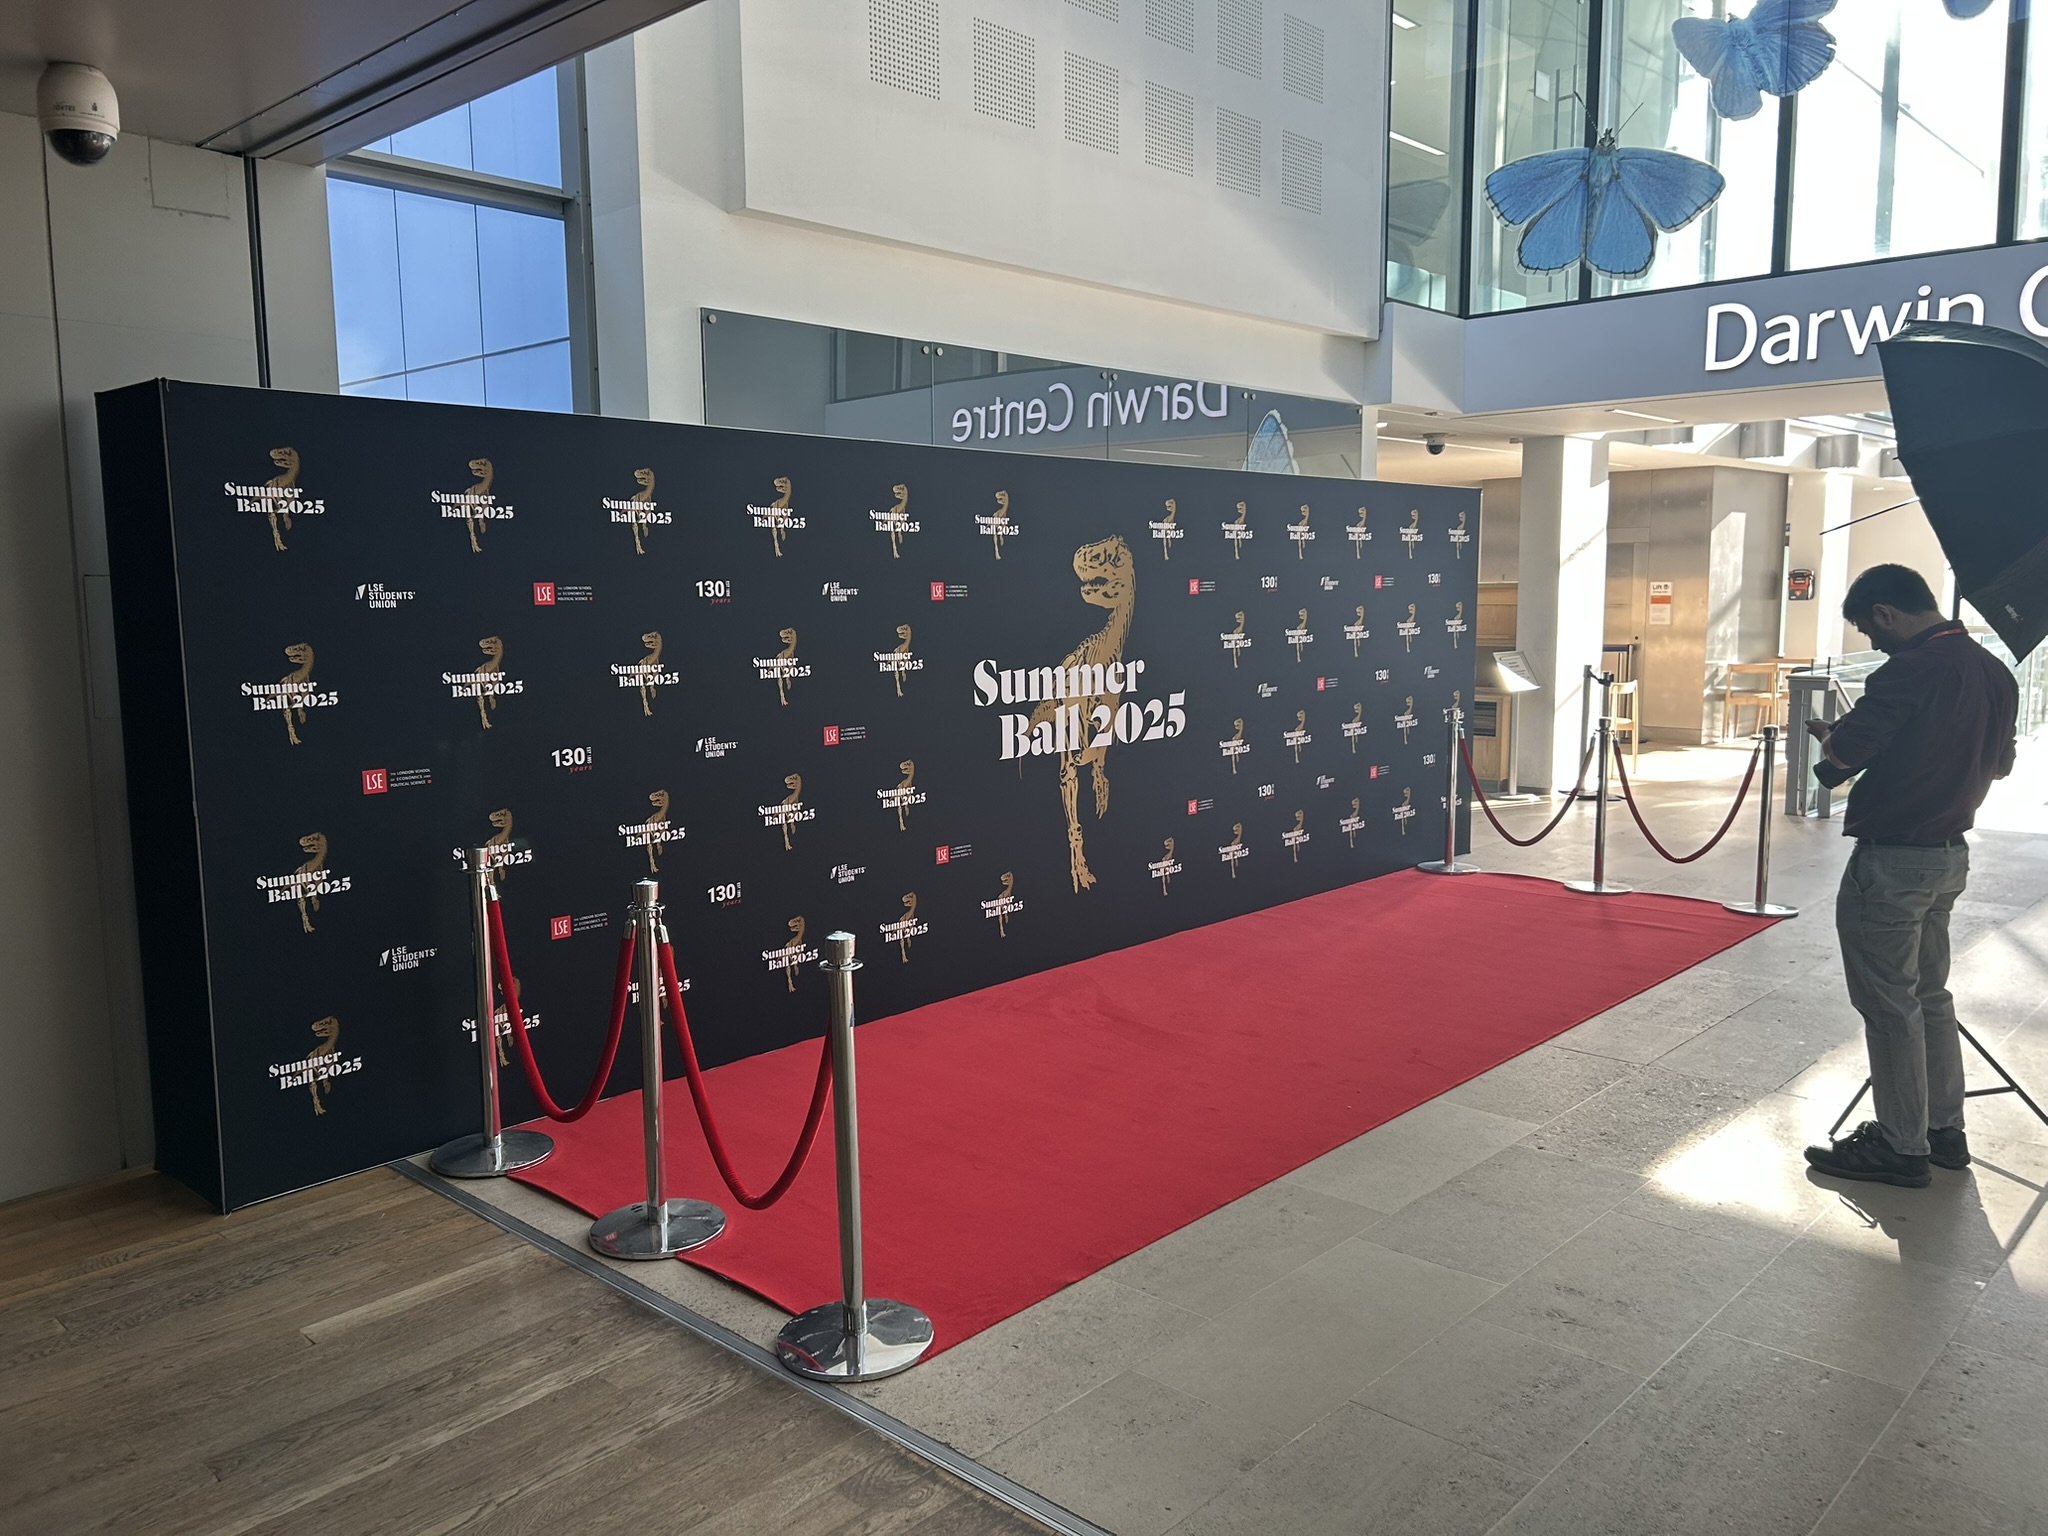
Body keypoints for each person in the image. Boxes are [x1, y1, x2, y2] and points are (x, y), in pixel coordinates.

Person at [1802, 564, 2018, 1188]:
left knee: (1888, 1003)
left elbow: (1842, 758)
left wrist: (1835, 736)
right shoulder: (1993, 671)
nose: (1872, 643)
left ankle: (1901, 1145)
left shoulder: (1912, 669)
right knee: (1930, 996)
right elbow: (1998, 763)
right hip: (1949, 854)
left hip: (1893, 858)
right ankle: (1944, 1130)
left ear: (1887, 613)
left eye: (1870, 629)